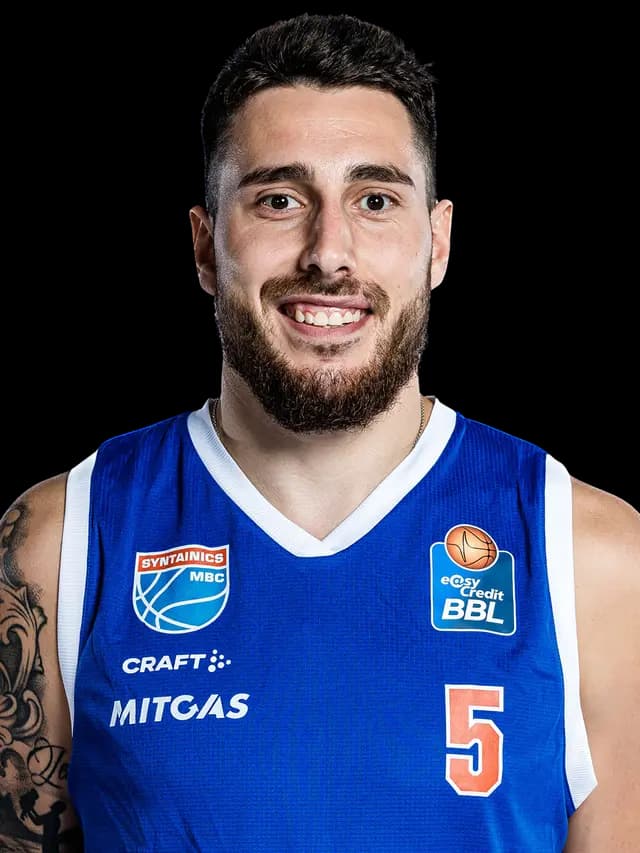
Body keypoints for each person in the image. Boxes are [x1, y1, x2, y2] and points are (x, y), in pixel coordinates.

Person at [0, 12, 638, 852]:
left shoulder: (592, 558)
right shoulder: (58, 546)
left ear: (438, 241)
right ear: (204, 246)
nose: (328, 252)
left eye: (375, 200)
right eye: (279, 200)